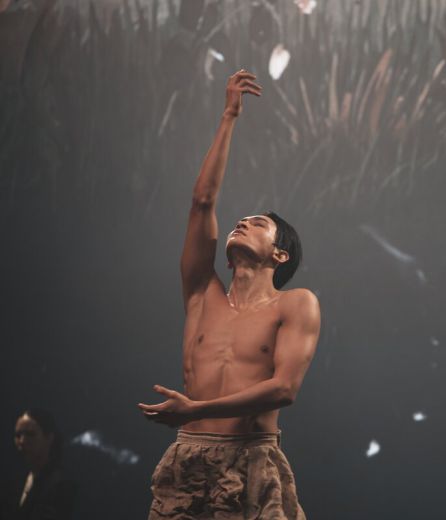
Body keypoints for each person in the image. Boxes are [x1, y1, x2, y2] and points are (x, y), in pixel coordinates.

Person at [138, 69, 321, 519]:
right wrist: (229, 116)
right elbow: (202, 201)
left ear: (280, 254)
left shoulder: (296, 303)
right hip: (188, 458)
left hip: (251, 458)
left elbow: (284, 389)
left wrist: (197, 408)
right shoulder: (203, 293)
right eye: (241, 220)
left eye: (257, 224)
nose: (242, 223)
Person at [1, 409, 77, 520]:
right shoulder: (13, 482)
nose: (22, 441)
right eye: (18, 435)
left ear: (49, 438)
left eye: (30, 434)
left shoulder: (62, 485)